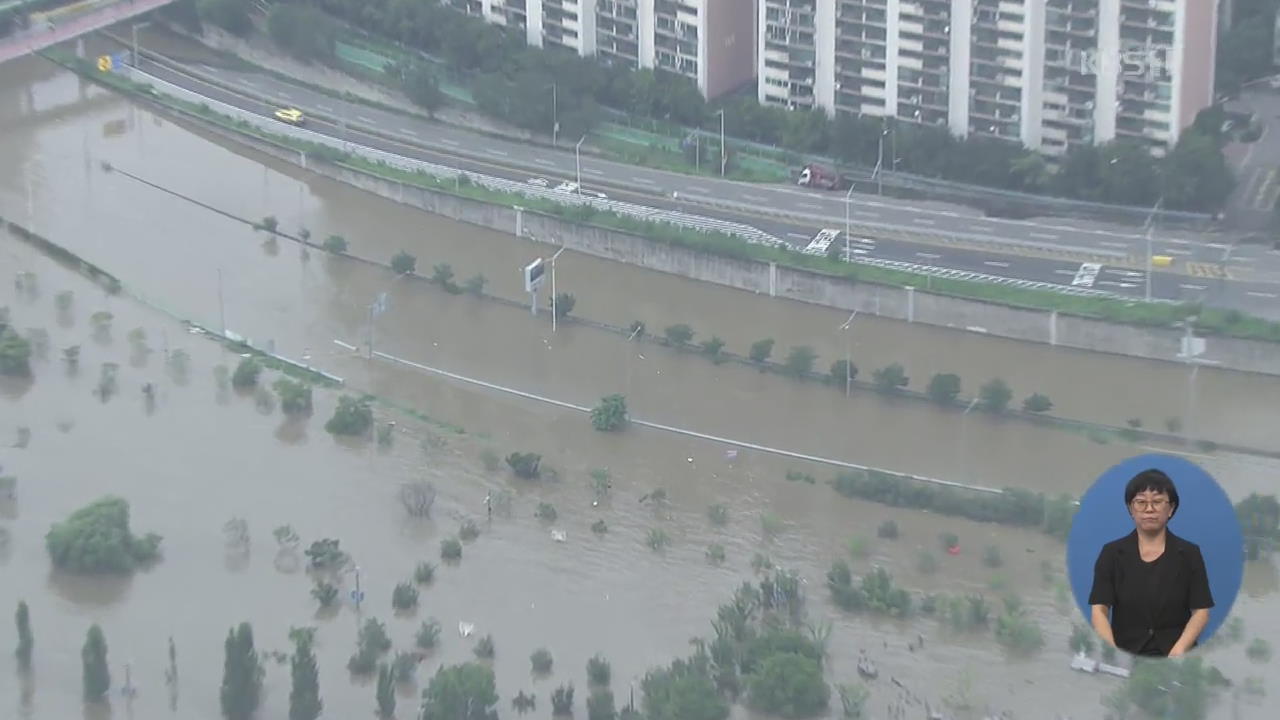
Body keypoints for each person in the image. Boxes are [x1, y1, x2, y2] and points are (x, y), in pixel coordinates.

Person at [1088, 469, 1214, 657]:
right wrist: (1112, 651)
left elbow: (1201, 611)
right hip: (1126, 652)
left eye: (1157, 502)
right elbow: (1099, 609)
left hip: (1178, 652)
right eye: (1141, 502)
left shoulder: (1189, 554)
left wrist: (1178, 652)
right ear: (1131, 509)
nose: (1149, 509)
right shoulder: (1112, 553)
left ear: (1170, 508)